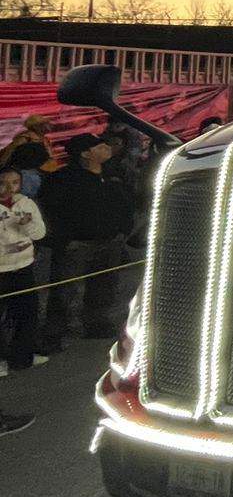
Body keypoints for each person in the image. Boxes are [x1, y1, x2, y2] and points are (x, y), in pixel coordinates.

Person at [38, 132, 134, 351]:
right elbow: (50, 212)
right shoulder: (62, 179)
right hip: (76, 243)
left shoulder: (111, 174)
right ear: (85, 153)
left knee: (104, 286)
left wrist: (122, 231)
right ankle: (55, 331)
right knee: (65, 288)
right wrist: (62, 240)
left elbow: (125, 203)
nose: (106, 149)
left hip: (109, 241)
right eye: (100, 146)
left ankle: (96, 322)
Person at [0, 167, 48, 375]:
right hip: (1, 268)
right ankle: (1, 359)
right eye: (4, 182)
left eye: (15, 182)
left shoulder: (26, 203)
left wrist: (27, 225)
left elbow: (39, 234)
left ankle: (22, 356)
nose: (9, 188)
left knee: (27, 312)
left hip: (24, 266)